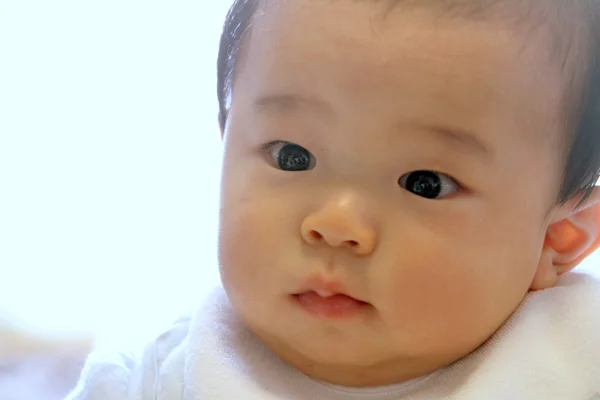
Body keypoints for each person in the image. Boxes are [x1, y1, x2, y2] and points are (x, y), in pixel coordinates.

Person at [65, 0, 600, 398]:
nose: (336, 223)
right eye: (292, 156)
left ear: (559, 237)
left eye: (425, 183)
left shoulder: (574, 360)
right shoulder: (158, 380)